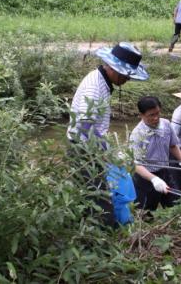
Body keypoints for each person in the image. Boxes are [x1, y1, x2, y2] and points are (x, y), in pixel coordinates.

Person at [67, 42, 149, 227]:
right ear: (113, 68)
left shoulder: (103, 81)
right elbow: (84, 129)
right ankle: (97, 242)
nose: (127, 80)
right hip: (84, 152)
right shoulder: (94, 88)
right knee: (99, 204)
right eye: (126, 75)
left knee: (96, 197)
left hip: (91, 149)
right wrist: (109, 152)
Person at [130, 96, 181, 211]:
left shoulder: (165, 124)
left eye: (157, 113)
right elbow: (136, 164)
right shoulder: (137, 135)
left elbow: (173, 145)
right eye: (151, 115)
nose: (156, 118)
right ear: (141, 115)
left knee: (175, 206)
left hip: (165, 171)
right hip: (146, 178)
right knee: (146, 212)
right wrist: (153, 179)